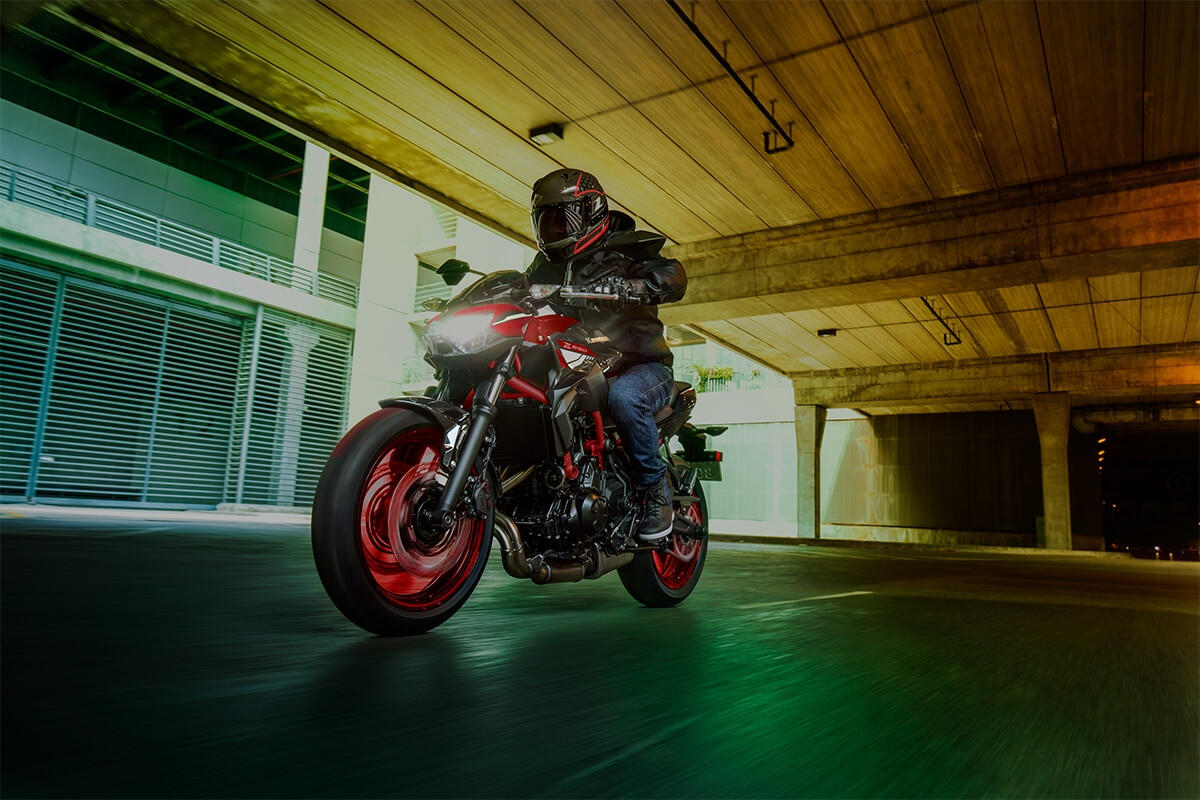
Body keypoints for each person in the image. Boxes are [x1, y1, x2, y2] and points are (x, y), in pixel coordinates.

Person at [526, 168, 687, 541]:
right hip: (587, 362)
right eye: (547, 221)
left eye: (562, 218)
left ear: (592, 212)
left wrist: (634, 285)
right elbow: (523, 288)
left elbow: (673, 274)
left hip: (642, 369)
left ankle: (654, 493)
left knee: (626, 398)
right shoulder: (546, 266)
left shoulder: (628, 249)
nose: (555, 229)